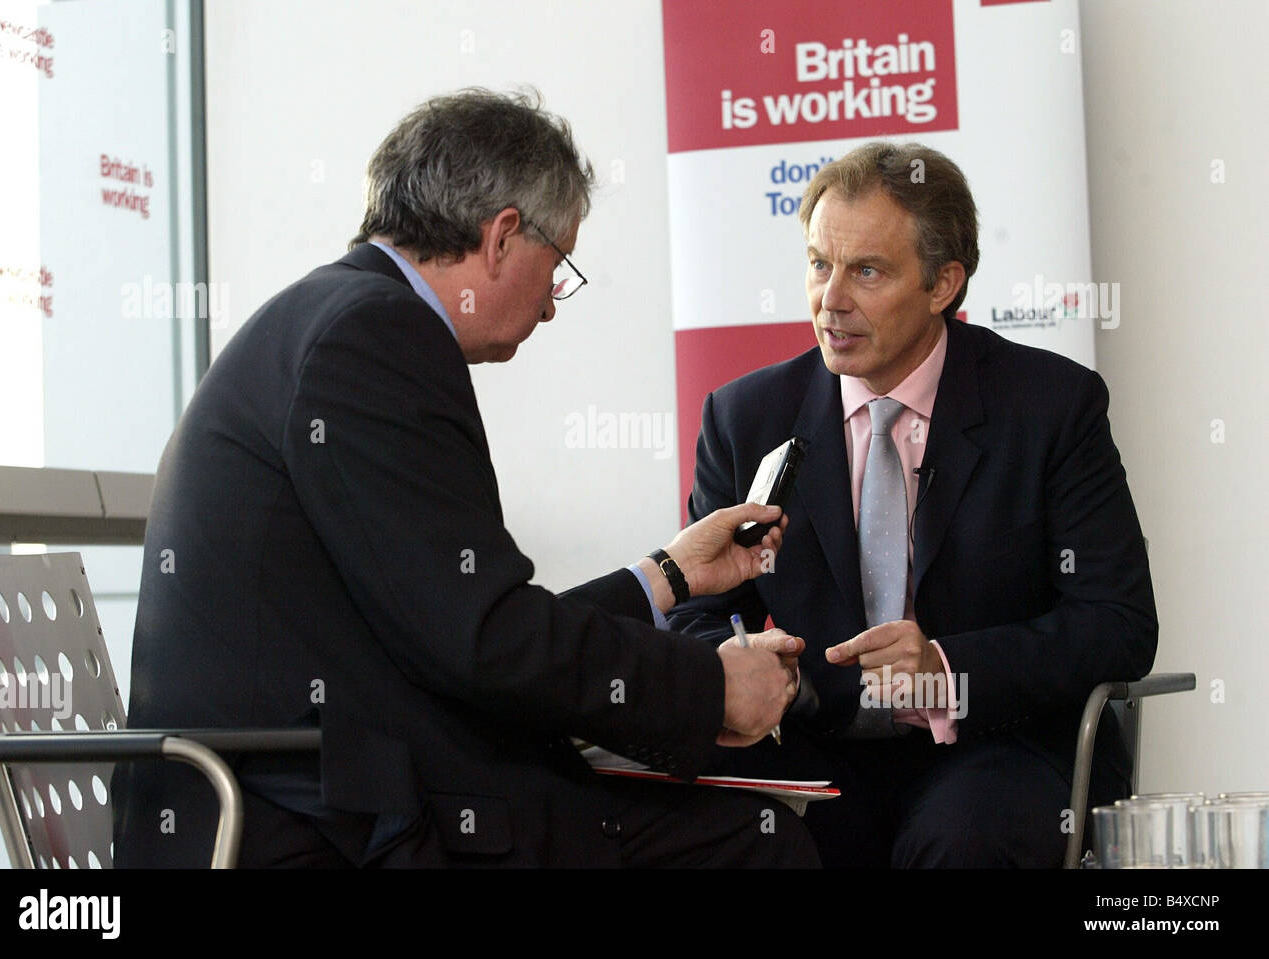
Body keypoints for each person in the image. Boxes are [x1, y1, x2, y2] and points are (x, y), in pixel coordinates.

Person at [111, 88, 820, 868]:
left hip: (322, 783)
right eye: (558, 266)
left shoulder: (338, 316)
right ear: (503, 236)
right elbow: (482, 642)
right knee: (757, 841)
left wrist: (668, 574)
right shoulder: (374, 337)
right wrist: (706, 687)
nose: (553, 304)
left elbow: (459, 623)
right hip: (316, 824)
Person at [668, 141, 1158, 868]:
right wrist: (743, 660)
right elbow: (696, 616)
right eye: (817, 263)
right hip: (817, 737)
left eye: (866, 270)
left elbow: (1117, 624)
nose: (830, 299)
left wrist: (945, 667)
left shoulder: (1050, 407)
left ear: (943, 284)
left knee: (963, 839)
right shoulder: (746, 417)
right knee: (726, 829)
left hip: (999, 742)